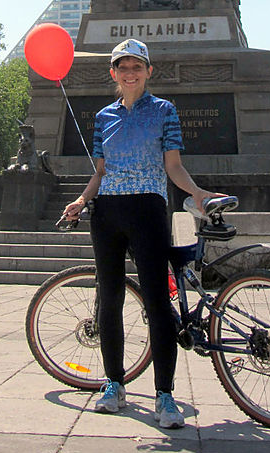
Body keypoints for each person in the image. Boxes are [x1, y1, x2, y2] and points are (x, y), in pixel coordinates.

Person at [63, 38, 228, 429]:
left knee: (156, 302)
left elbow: (173, 166)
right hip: (107, 213)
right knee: (110, 301)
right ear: (114, 73)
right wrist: (82, 200)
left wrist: (199, 193)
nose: (130, 73)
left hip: (149, 209)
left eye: (137, 66)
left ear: (149, 71)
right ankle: (115, 384)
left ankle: (165, 395)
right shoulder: (103, 117)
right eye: (123, 67)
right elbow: (101, 171)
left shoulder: (164, 111)